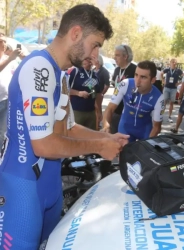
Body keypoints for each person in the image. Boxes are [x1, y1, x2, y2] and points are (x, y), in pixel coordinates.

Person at [0, 4, 129, 250]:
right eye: (95, 44)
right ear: (76, 33)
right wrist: (99, 146)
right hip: (22, 190)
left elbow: (68, 129)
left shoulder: (60, 75)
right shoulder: (39, 67)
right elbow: (44, 144)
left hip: (50, 186)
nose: (94, 54)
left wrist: (107, 138)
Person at [102, 60, 164, 142]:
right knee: (122, 152)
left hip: (145, 130)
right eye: (136, 75)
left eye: (143, 77)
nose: (137, 81)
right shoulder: (125, 84)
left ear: (153, 80)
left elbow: (157, 127)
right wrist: (106, 127)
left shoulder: (159, 98)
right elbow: (110, 109)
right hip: (125, 127)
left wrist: (148, 145)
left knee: (144, 153)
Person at [69, 58, 102, 130]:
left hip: (91, 111)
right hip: (77, 111)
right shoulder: (75, 71)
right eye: (86, 59)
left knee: (90, 136)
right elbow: (65, 89)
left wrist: (99, 112)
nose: (88, 62)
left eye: (90, 60)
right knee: (76, 135)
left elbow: (98, 94)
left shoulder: (94, 75)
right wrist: (78, 93)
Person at [0, 34, 21, 148]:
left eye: (4, 41)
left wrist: (20, 56)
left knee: (3, 132)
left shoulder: (9, 60)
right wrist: (10, 58)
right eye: (1, 41)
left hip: (6, 100)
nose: (3, 44)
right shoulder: (8, 59)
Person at [111, 44, 136, 133]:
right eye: (115, 55)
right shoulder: (117, 70)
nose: (114, 58)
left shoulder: (135, 70)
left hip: (128, 113)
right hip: (115, 110)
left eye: (117, 55)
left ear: (125, 56)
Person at [161, 58, 183, 123]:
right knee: (164, 102)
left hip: (173, 88)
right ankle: (161, 116)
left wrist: (179, 83)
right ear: (170, 63)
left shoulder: (178, 70)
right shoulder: (167, 69)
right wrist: (163, 80)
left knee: (171, 103)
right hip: (167, 87)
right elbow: (161, 74)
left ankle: (169, 117)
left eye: (175, 62)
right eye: (172, 62)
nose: (174, 63)